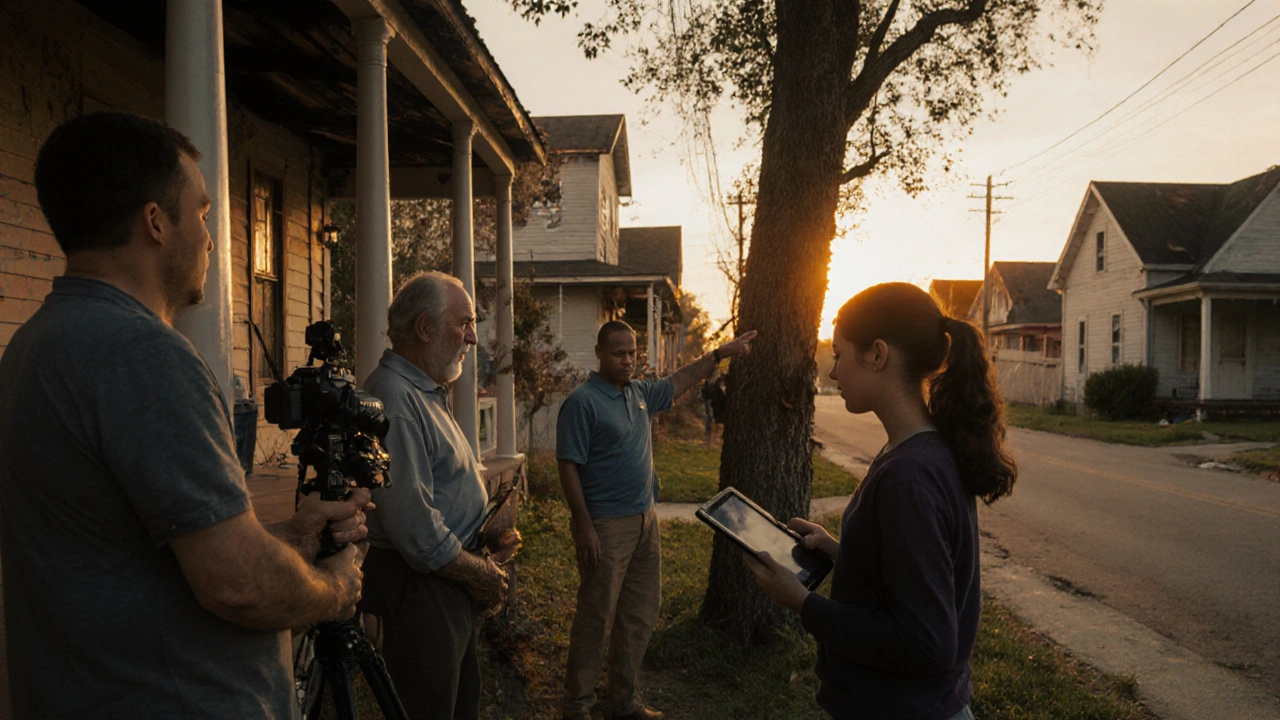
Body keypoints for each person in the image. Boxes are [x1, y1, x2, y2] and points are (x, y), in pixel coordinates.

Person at [0, 111, 371, 719]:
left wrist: (289, 540)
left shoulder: (35, 344)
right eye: (200, 214)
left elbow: (128, 557)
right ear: (154, 223)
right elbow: (238, 585)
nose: (210, 239)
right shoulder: (143, 354)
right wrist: (333, 590)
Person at [744, 282, 1017, 720]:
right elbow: (917, 572)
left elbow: (926, 644)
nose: (832, 372)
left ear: (877, 354)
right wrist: (840, 551)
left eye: (838, 354)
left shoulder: (909, 475)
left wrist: (803, 604)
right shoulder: (915, 450)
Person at [558, 321, 757, 720]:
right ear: (599, 352)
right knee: (596, 617)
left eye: (632, 353)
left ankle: (622, 701)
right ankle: (576, 707)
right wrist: (583, 526)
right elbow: (567, 466)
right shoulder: (582, 402)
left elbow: (679, 380)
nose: (628, 360)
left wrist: (718, 355)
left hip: (645, 521)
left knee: (639, 613)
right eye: (619, 353)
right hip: (605, 526)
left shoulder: (639, 393)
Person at [359, 271, 521, 720]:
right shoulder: (396, 398)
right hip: (424, 588)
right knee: (431, 708)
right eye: (464, 323)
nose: (473, 338)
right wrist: (480, 575)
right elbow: (416, 531)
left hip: (446, 580)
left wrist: (488, 532)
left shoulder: (423, 391)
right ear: (425, 329)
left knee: (459, 702)